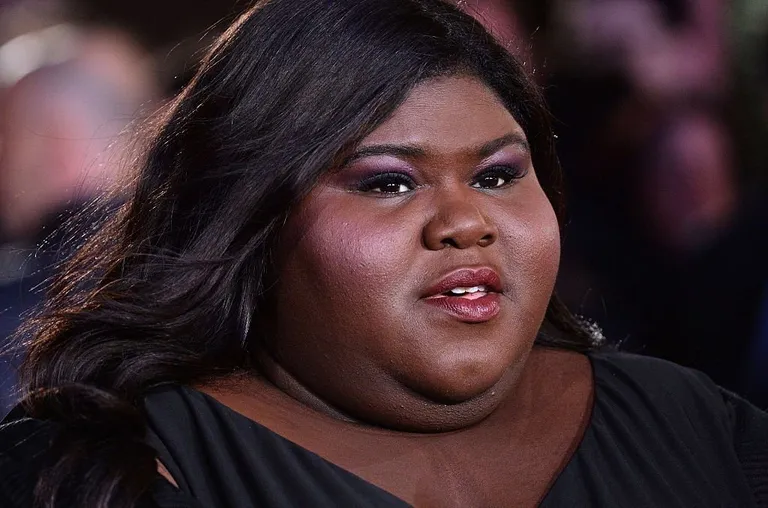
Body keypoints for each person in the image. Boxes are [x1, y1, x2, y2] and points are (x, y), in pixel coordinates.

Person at [0, 0, 764, 506]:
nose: (467, 223)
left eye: (499, 174)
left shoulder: (697, 424)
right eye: (390, 184)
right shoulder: (97, 472)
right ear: (245, 219)